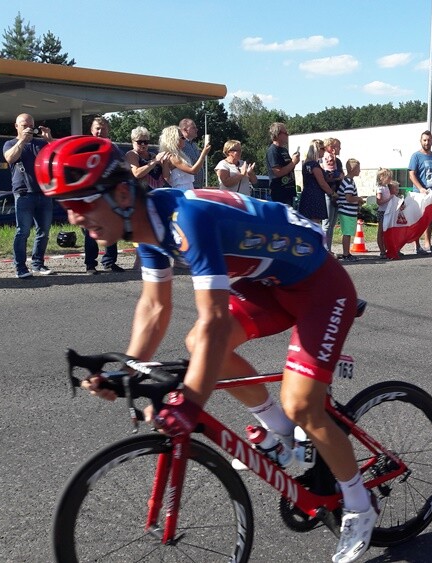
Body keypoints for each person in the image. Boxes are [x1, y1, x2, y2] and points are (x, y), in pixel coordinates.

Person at [36, 136, 377, 563]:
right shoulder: (148, 224)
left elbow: (216, 319)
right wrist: (130, 370)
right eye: (65, 204)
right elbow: (155, 307)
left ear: (121, 194)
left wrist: (190, 403)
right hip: (269, 283)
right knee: (197, 343)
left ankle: (359, 507)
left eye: (81, 203)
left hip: (319, 287)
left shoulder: (184, 221)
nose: (72, 216)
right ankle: (278, 430)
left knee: (303, 403)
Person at [3, 112, 55, 278]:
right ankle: (20, 267)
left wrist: (49, 140)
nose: (28, 129)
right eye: (24, 126)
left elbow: (60, 155)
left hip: (43, 192)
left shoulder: (41, 144)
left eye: (30, 126)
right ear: (16, 126)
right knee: (23, 231)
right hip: (23, 193)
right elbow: (10, 158)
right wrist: (22, 141)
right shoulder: (10, 143)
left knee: (44, 231)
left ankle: (38, 264)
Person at [84, 116, 124, 273]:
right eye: (97, 128)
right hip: (92, 194)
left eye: (103, 128)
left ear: (108, 130)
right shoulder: (85, 146)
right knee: (91, 231)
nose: (100, 131)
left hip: (110, 194)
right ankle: (90, 264)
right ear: (92, 130)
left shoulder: (113, 147)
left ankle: (109, 261)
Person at [407, 130, 432, 254]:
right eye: (424, 140)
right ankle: (417, 246)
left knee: (429, 219)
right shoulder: (416, 156)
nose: (427, 142)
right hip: (420, 193)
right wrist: (421, 188)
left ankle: (428, 244)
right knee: (419, 219)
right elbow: (411, 174)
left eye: (428, 140)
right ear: (421, 141)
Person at [297, 139, 336, 225]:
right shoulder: (314, 165)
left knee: (307, 224)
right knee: (314, 224)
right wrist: (333, 193)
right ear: (317, 149)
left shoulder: (306, 164)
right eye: (323, 148)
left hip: (307, 195)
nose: (324, 150)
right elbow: (322, 183)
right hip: (315, 197)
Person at [160, 125, 211, 190]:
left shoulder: (179, 155)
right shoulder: (173, 157)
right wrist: (203, 155)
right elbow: (193, 171)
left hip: (187, 188)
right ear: (174, 139)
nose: (185, 139)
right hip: (181, 190)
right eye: (182, 137)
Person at [266, 122, 300, 206]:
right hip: (280, 194)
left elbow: (287, 168)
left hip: (288, 191)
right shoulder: (273, 151)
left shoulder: (284, 150)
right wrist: (293, 162)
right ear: (277, 134)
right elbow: (278, 172)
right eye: (285, 133)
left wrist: (293, 160)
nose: (287, 135)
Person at [125, 126, 169, 191]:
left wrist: (165, 162)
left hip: (158, 192)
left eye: (145, 142)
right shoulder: (132, 154)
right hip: (142, 194)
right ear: (133, 141)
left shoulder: (152, 155)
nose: (143, 144)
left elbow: (166, 177)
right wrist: (155, 161)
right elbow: (137, 173)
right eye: (140, 142)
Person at [336, 158, 363, 260]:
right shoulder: (348, 183)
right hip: (347, 211)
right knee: (347, 233)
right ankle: (346, 254)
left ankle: (346, 252)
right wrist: (359, 199)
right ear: (353, 169)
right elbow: (348, 197)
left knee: (348, 232)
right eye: (358, 168)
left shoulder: (347, 180)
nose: (359, 170)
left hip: (347, 211)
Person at [321, 138, 345, 254]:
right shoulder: (325, 159)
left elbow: (341, 174)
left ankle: (328, 250)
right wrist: (337, 177)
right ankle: (324, 249)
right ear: (330, 147)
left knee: (332, 224)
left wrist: (339, 176)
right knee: (327, 223)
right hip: (328, 193)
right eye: (337, 146)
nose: (339, 149)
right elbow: (327, 176)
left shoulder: (338, 161)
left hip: (337, 194)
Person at [374, 169, 397, 258]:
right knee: (381, 232)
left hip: (388, 211)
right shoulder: (380, 188)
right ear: (381, 177)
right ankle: (382, 251)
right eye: (388, 177)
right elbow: (379, 201)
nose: (390, 178)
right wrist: (389, 198)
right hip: (382, 212)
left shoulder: (387, 187)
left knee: (387, 231)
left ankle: (388, 249)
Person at [179, 118, 206, 187]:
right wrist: (203, 154)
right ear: (185, 130)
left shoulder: (194, 145)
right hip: (187, 186)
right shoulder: (180, 145)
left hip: (198, 185)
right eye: (193, 128)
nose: (196, 130)